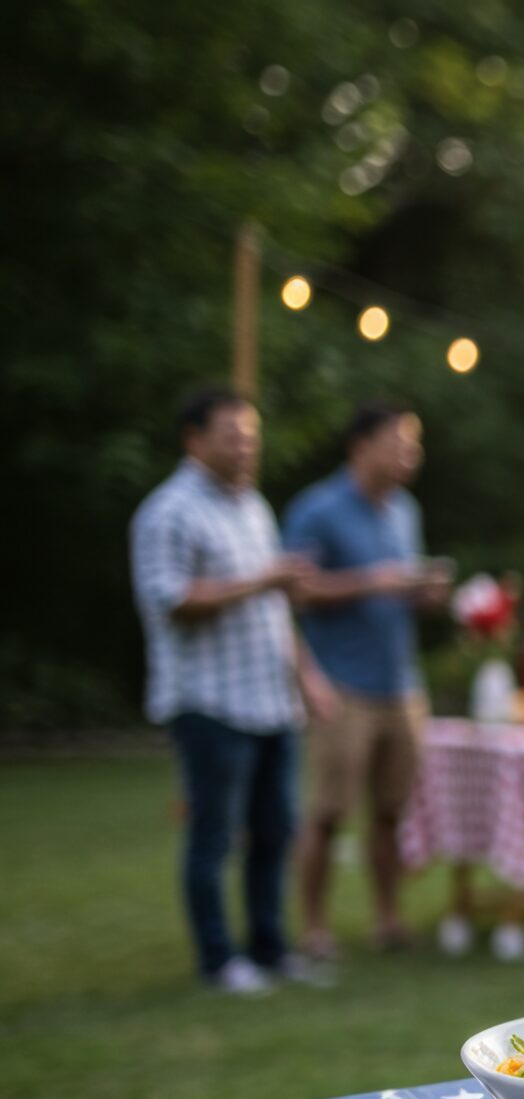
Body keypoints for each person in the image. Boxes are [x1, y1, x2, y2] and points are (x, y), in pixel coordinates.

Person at [129, 386, 339, 994]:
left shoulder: (252, 506)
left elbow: (273, 608)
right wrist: (260, 581)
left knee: (275, 831)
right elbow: (170, 601)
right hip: (208, 701)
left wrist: (308, 677)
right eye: (233, 435)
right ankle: (219, 961)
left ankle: (271, 950)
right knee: (214, 836)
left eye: (252, 436)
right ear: (194, 439)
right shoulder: (167, 513)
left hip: (269, 700)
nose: (247, 447)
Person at [283, 402, 452, 960]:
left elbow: (398, 589)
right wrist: (370, 582)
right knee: (329, 812)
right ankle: (314, 927)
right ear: (362, 446)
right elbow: (296, 589)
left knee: (391, 812)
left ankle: (387, 919)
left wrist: (424, 593)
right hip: (343, 686)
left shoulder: (404, 509)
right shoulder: (318, 509)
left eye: (415, 444)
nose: (412, 454)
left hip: (400, 686)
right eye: (401, 442)